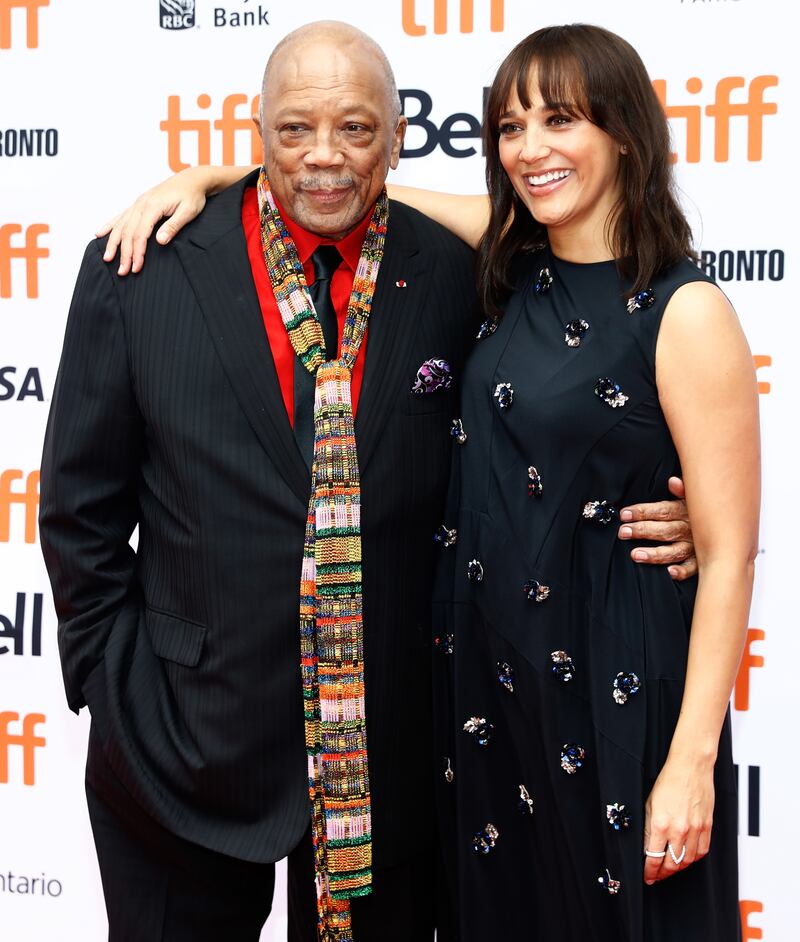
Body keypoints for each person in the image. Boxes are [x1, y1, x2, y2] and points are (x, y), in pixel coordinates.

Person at [67, 21, 701, 942]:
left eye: (355, 130)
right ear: (256, 135)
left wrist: (683, 516)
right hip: (180, 751)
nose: (324, 157)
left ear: (400, 136)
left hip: (395, 759)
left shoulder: (459, 275)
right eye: (294, 132)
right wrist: (109, 683)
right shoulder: (143, 267)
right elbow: (79, 512)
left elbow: (615, 273)